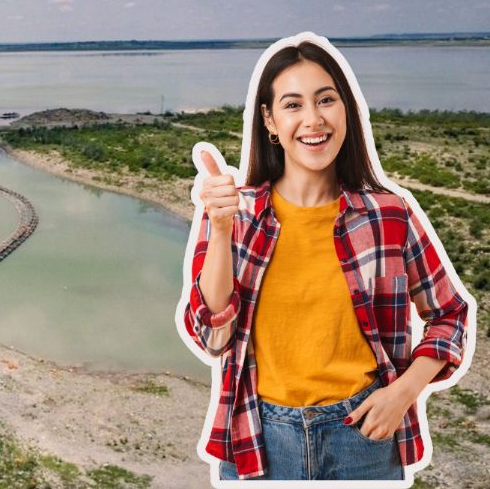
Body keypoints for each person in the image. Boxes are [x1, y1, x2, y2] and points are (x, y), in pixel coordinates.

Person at [178, 32, 471, 482]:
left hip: (365, 437)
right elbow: (213, 339)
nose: (313, 120)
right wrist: (219, 228)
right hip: (259, 438)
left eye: (326, 100)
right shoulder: (237, 214)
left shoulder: (388, 215)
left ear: (346, 111)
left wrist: (404, 393)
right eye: (293, 105)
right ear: (270, 121)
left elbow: (450, 314)